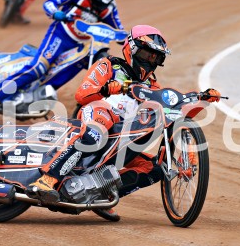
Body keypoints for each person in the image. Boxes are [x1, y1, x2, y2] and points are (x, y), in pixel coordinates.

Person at [27, 25, 220, 220]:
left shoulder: (152, 86)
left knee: (155, 168)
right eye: (147, 54)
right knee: (96, 134)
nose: (150, 60)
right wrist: (108, 89)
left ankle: (101, 193)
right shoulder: (109, 65)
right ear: (132, 48)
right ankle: (47, 180)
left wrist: (202, 99)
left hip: (123, 132)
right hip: (99, 113)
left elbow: (172, 111)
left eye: (156, 57)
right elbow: (82, 94)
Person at [0, 0, 126, 113]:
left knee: (99, 66)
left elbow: (118, 29)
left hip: (80, 45)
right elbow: (50, 3)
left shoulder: (110, 8)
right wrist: (56, 13)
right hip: (60, 35)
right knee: (39, 67)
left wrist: (129, 39)